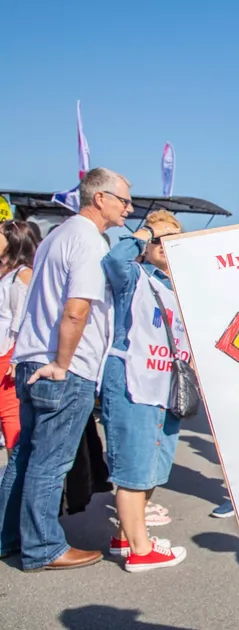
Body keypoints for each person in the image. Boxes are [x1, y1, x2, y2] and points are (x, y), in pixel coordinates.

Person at [0, 167, 131, 571]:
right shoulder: (88, 242)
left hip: (31, 360)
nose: (129, 207)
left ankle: (9, 537)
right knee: (49, 461)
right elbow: (77, 309)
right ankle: (44, 548)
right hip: (62, 368)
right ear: (100, 199)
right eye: (124, 200)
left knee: (25, 456)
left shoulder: (57, 235)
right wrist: (62, 362)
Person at [100, 210, 189, 571]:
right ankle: (140, 549)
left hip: (167, 386)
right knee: (135, 465)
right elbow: (114, 259)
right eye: (158, 240)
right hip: (134, 380)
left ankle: (125, 534)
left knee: (154, 464)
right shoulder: (134, 276)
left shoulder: (179, 286)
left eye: (173, 240)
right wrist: (147, 230)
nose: (165, 245)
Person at [0, 221, 40, 452]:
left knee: (10, 414)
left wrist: (16, 358)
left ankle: (15, 478)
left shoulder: (22, 275)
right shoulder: (8, 273)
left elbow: (23, 319)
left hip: (8, 353)